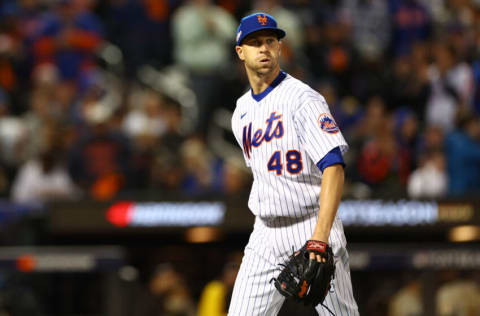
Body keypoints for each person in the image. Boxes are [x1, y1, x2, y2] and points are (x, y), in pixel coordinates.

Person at [229, 13, 359, 316]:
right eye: (255, 42)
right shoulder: (241, 113)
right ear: (240, 52)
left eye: (270, 41)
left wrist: (320, 238)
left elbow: (334, 167)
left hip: (312, 225)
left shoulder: (302, 98)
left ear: (279, 47)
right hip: (265, 232)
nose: (264, 48)